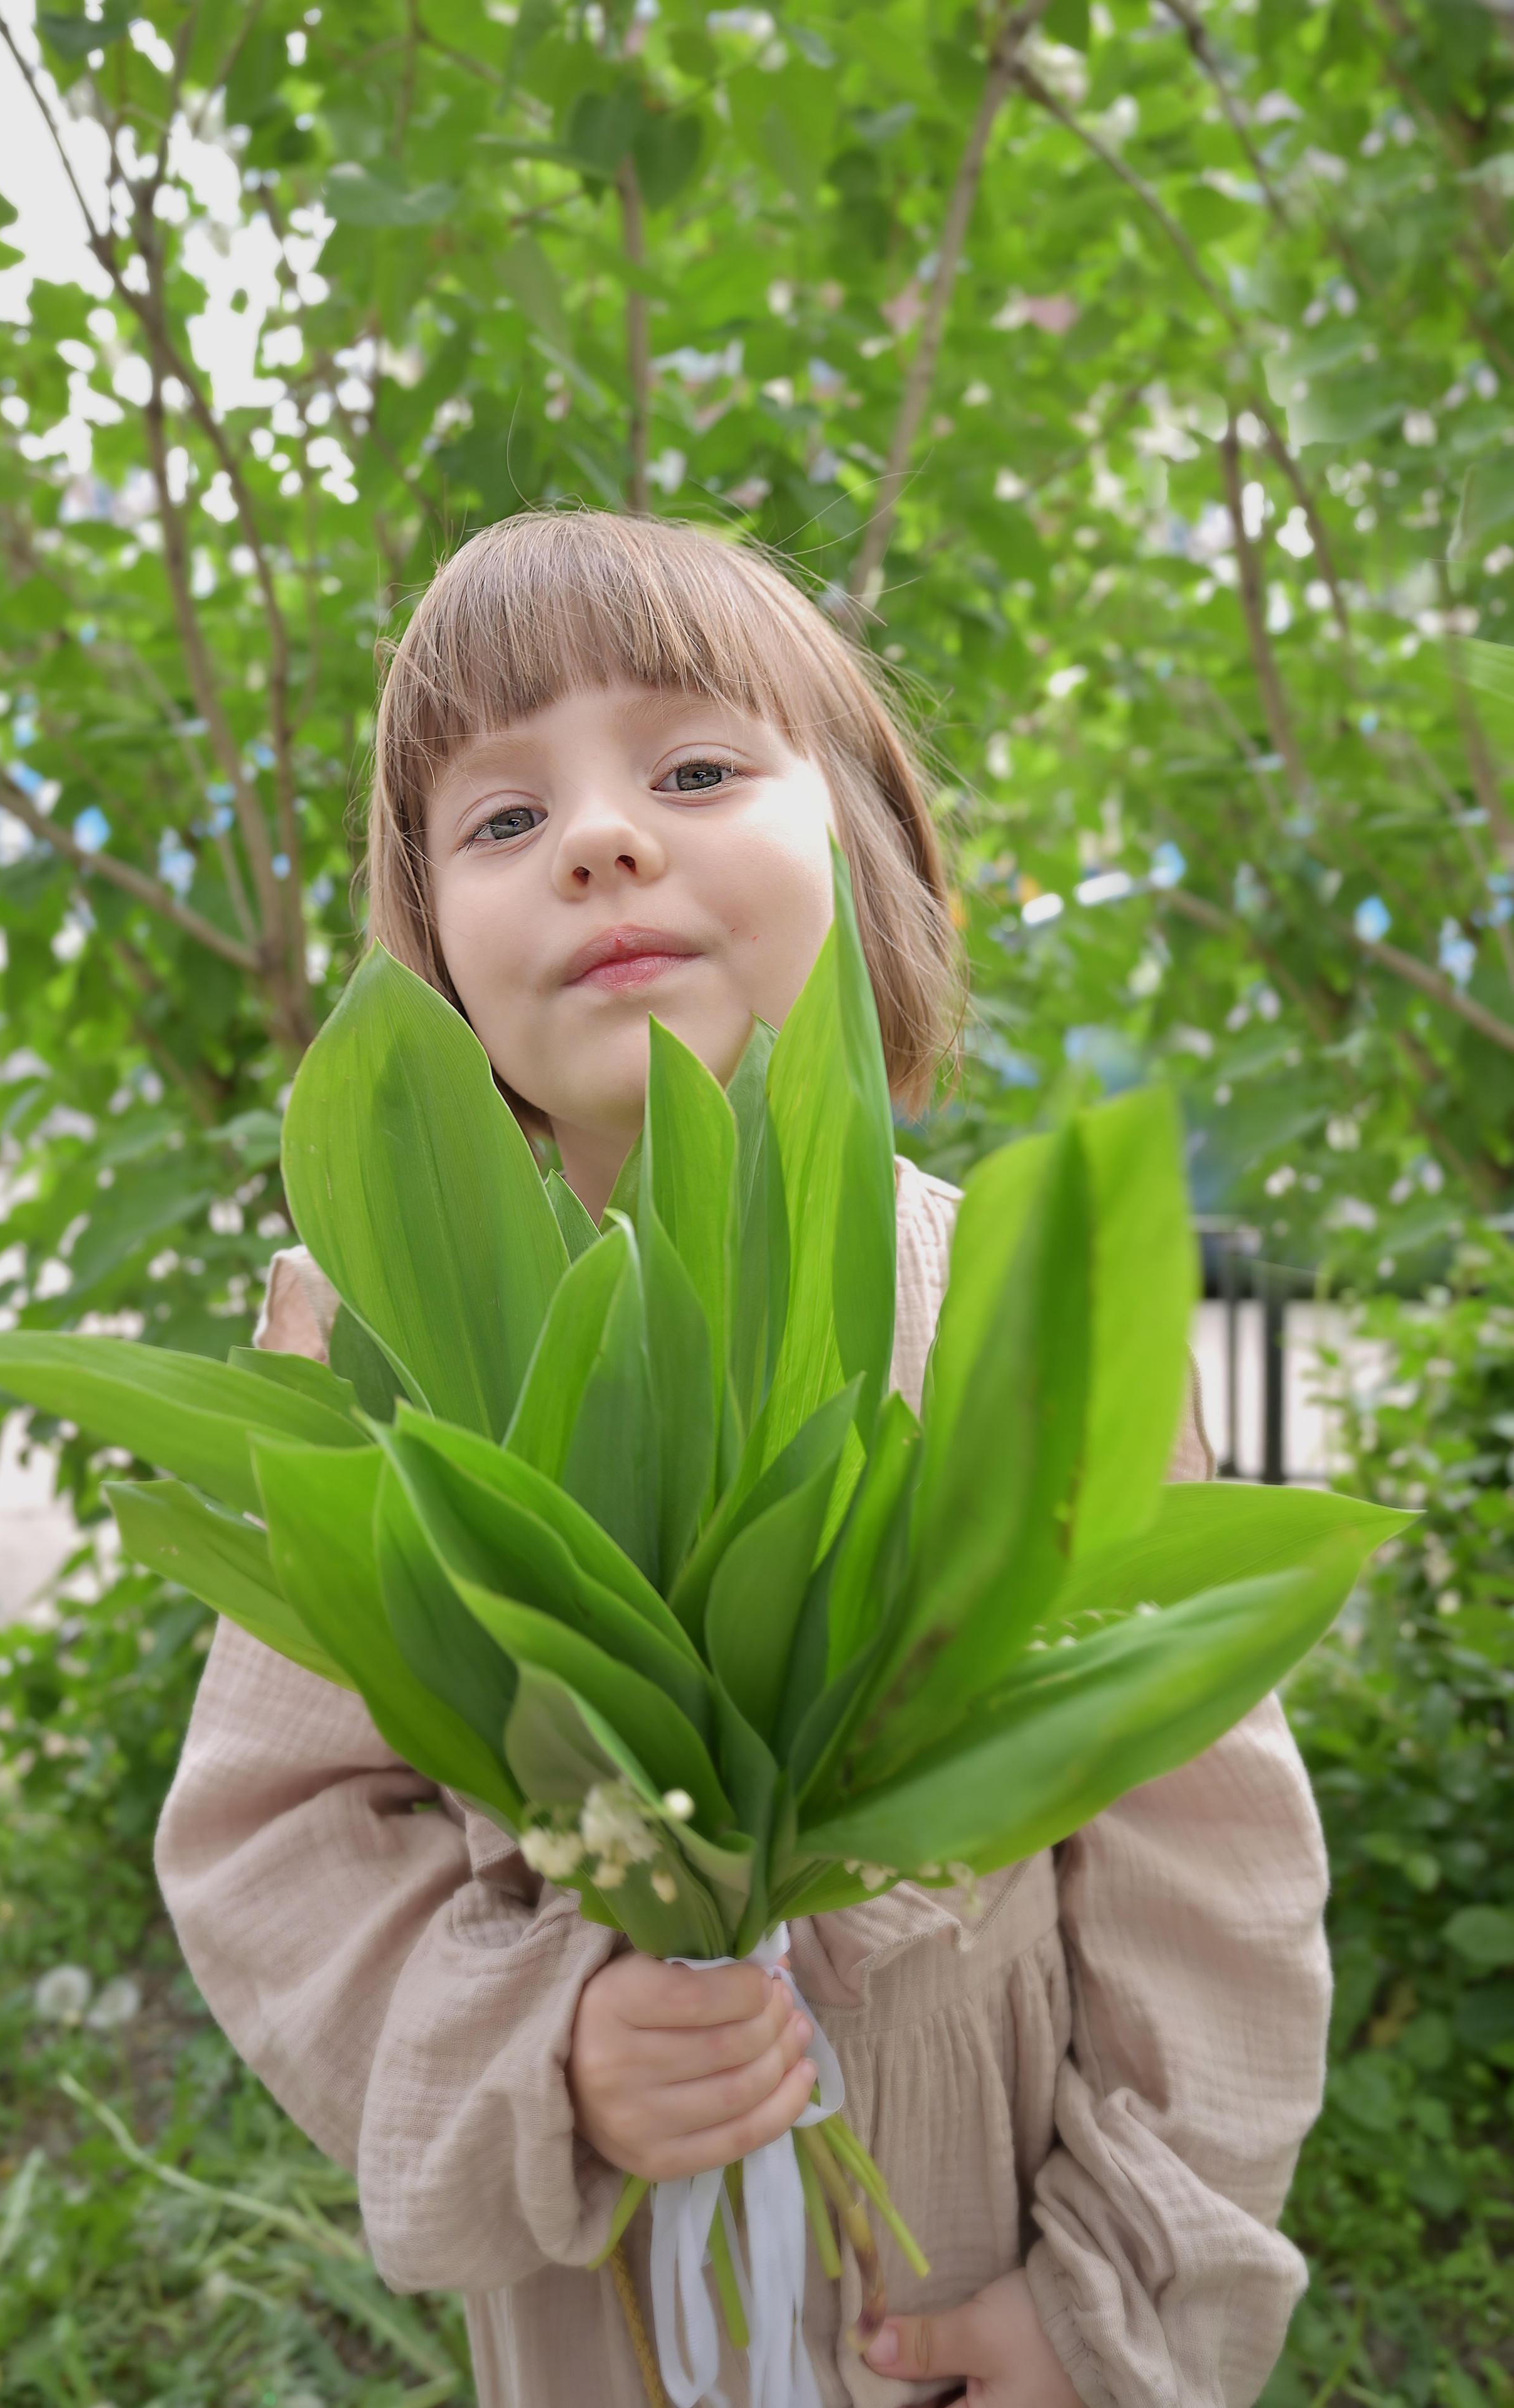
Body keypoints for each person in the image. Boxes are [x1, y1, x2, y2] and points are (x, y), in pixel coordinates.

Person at [156, 510, 1331, 2408]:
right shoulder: (388, 1354)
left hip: (975, 2238)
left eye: (695, 766)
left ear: (866, 851)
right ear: (432, 954)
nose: (604, 837)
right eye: (502, 818)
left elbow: (1214, 1865)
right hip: (604, 2269)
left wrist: (1112, 2297)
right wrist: (552, 2046)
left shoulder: (1020, 1322)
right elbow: (277, 1834)